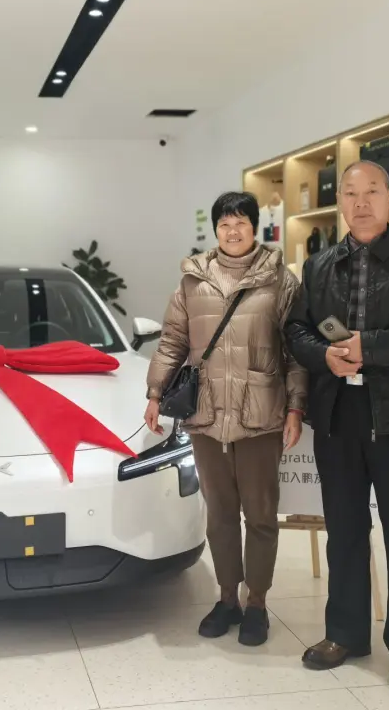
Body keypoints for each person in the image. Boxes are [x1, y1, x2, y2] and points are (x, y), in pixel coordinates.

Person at [284, 160, 389, 694]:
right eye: (351, 193)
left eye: (372, 191)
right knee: (344, 529)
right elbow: (297, 329)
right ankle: (345, 634)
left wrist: (370, 348)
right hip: (338, 412)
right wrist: (325, 356)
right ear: (340, 201)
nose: (361, 202)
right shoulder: (318, 265)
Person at [145, 191, 307, 647]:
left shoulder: (281, 281)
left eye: (241, 223)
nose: (233, 232)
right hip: (207, 413)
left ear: (255, 228)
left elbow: (296, 352)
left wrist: (296, 407)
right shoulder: (192, 281)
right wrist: (155, 392)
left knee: (260, 514)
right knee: (219, 514)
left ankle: (257, 602)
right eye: (224, 224)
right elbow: (173, 342)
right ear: (215, 230)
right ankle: (227, 598)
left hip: (261, 414)